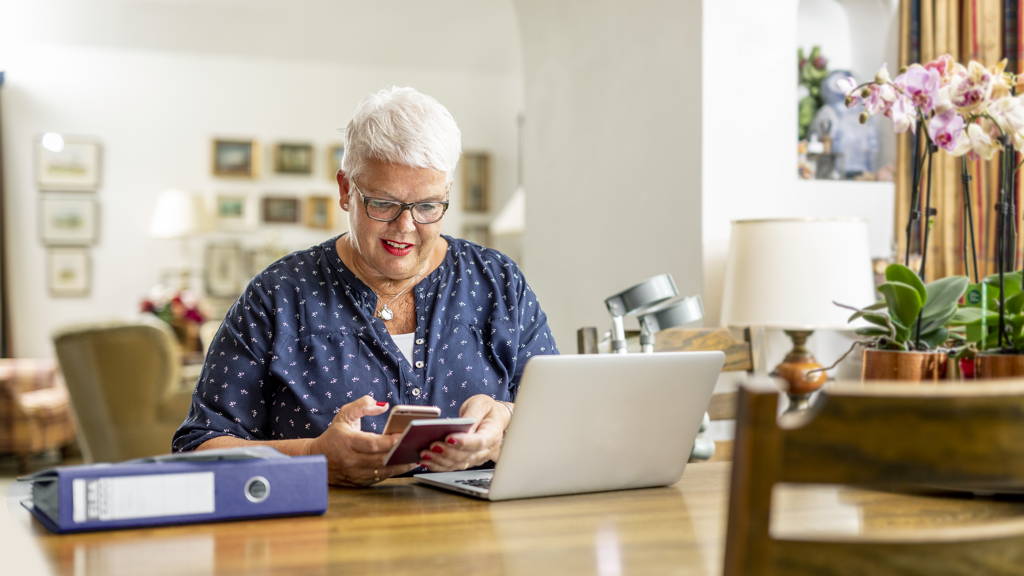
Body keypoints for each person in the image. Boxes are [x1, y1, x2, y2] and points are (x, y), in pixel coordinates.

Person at [172, 87, 558, 486]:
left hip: (482, 538)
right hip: (322, 539)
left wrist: (505, 424)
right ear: (345, 190)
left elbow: (560, 418)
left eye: (427, 206)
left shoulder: (497, 282)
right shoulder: (277, 296)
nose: (405, 227)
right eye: (383, 204)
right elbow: (197, 449)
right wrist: (313, 455)